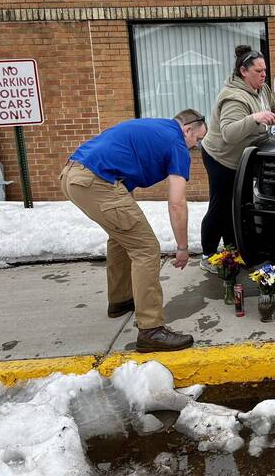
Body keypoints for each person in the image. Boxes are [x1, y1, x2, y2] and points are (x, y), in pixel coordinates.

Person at [60, 109, 207, 352]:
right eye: (197, 140)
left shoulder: (155, 127)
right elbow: (177, 203)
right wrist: (182, 247)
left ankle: (120, 300)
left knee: (122, 237)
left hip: (73, 174)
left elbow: (120, 157)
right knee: (146, 248)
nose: (195, 146)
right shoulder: (176, 143)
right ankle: (151, 330)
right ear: (188, 129)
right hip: (95, 181)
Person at [200, 45, 275, 270]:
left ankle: (233, 251)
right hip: (221, 158)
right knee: (220, 207)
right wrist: (255, 118)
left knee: (237, 206)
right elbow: (229, 133)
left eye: (265, 70)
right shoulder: (234, 98)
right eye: (258, 71)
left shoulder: (262, 89)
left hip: (241, 158)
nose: (263, 74)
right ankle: (208, 255)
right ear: (243, 71)